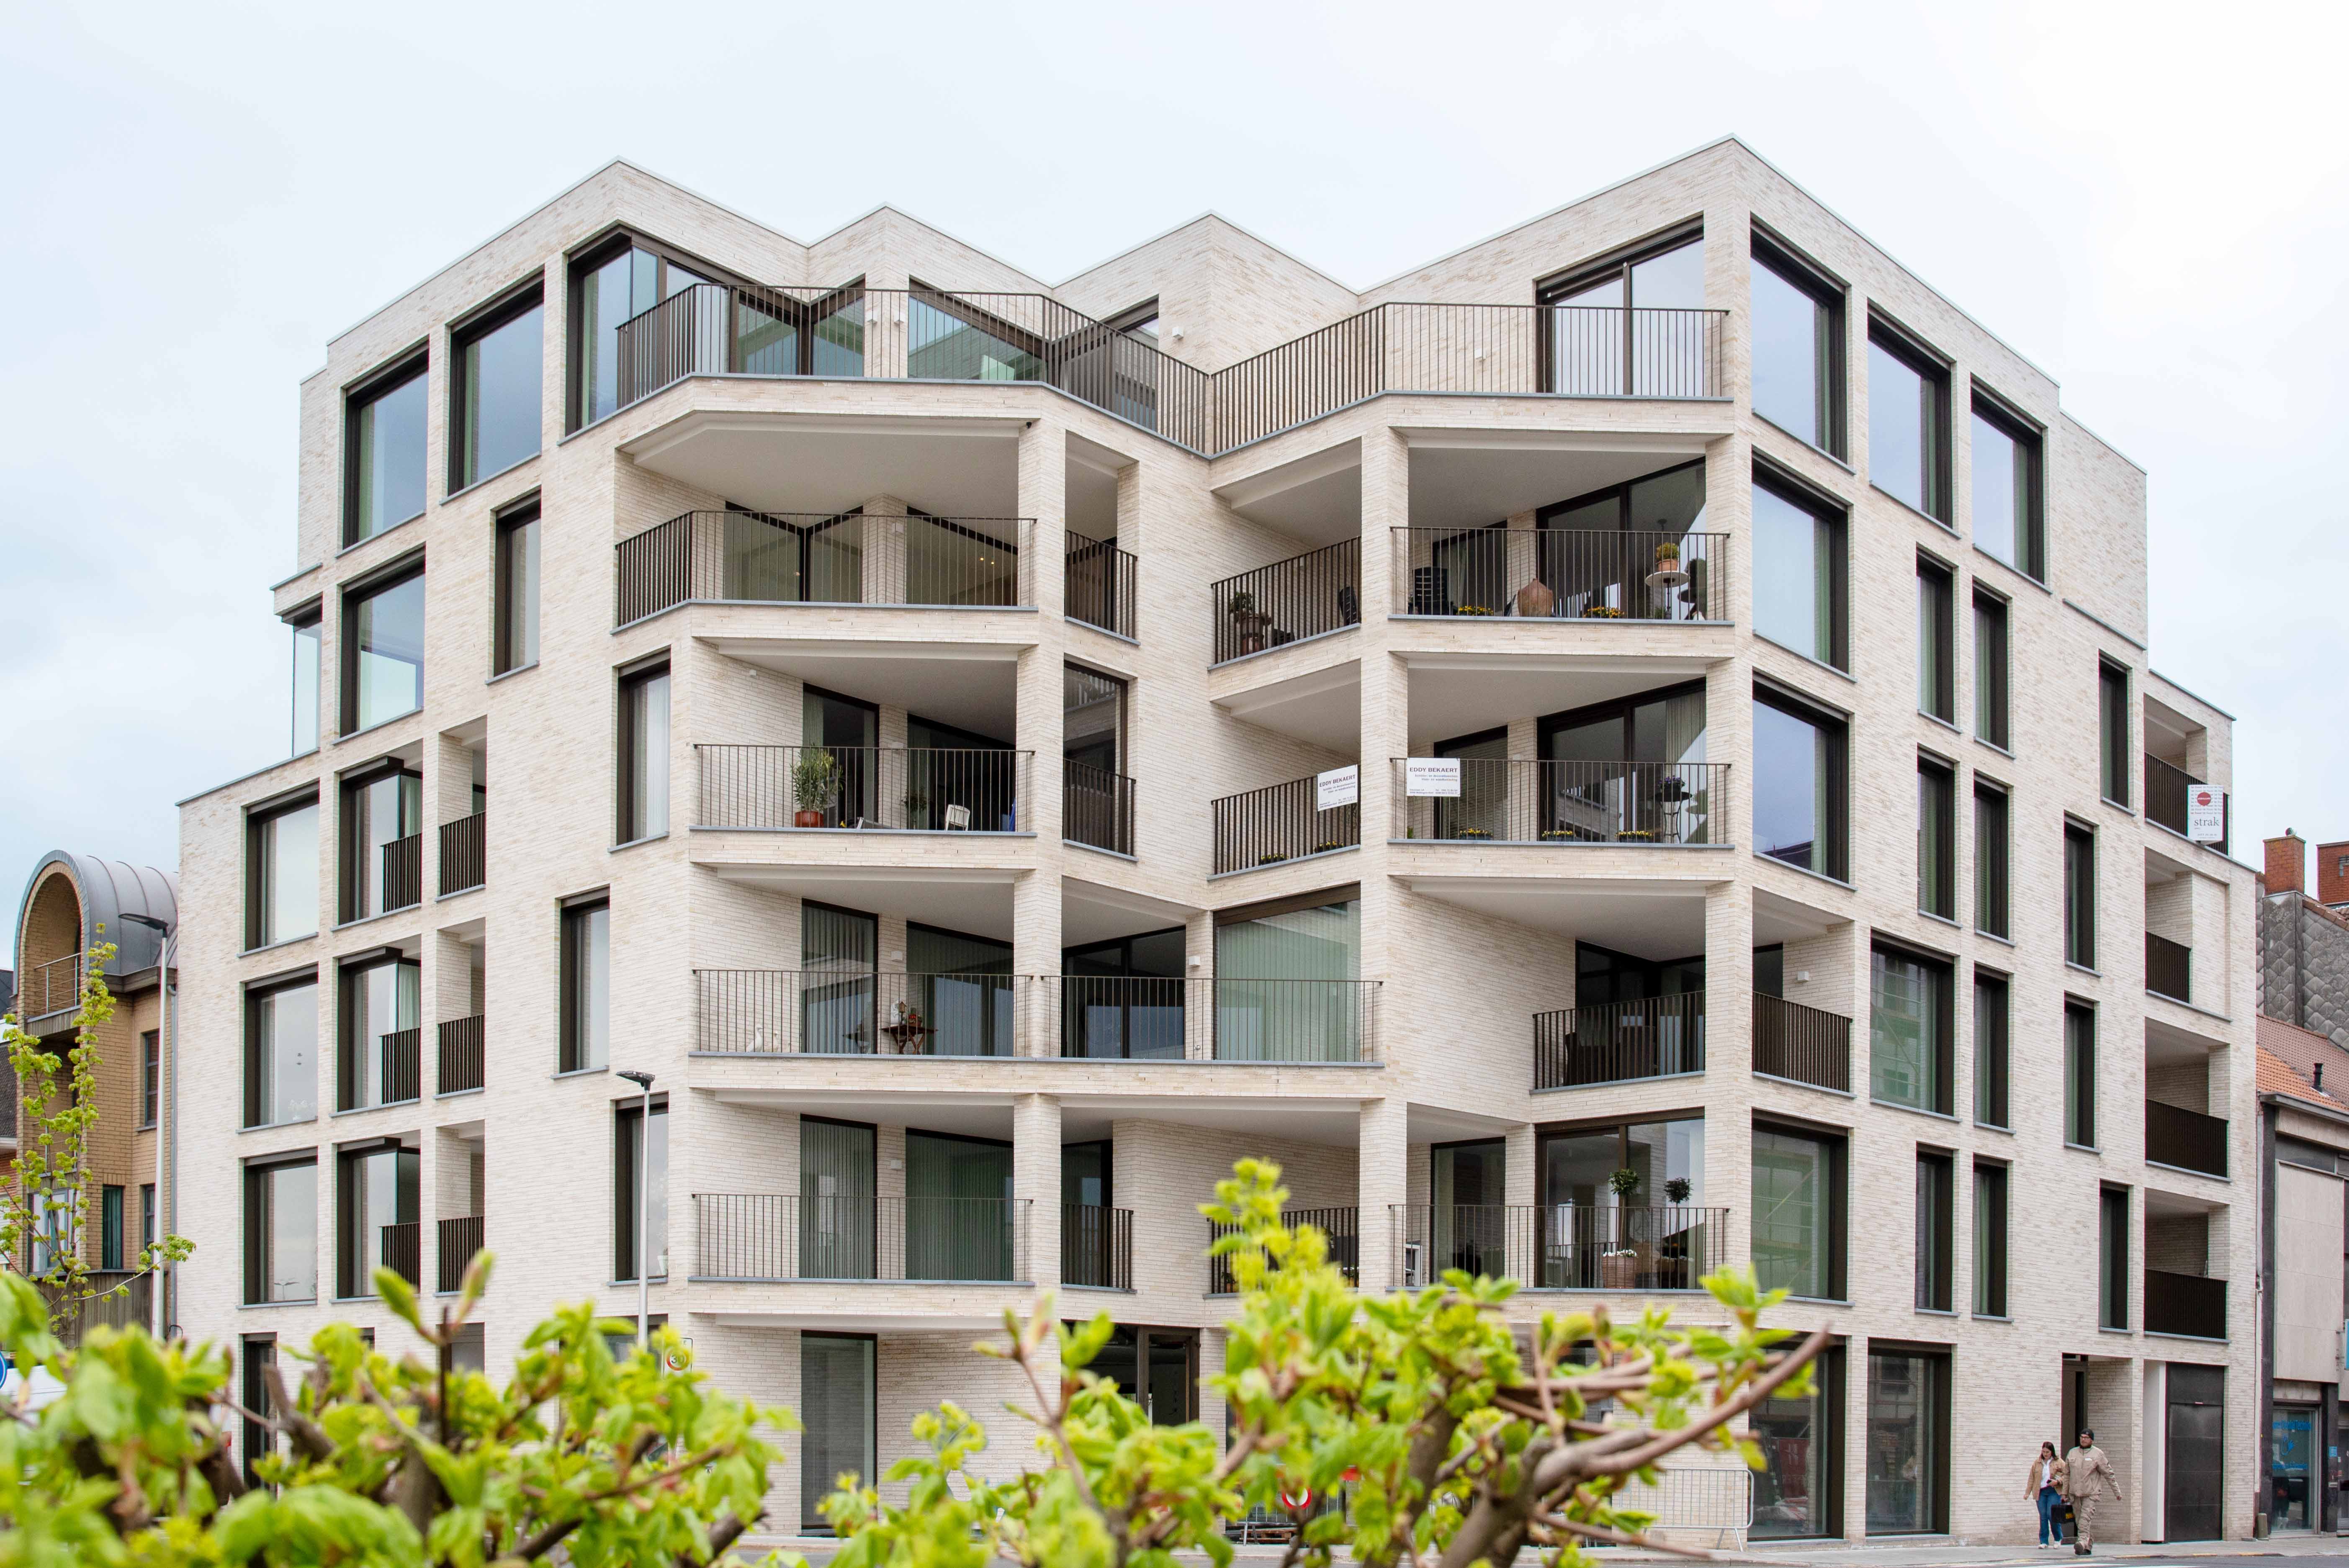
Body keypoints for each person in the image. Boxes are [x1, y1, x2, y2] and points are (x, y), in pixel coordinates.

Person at [2065, 1428, 2124, 1555]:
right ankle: (2088, 1545)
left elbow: (2109, 1474)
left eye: (2086, 1438)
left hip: (2091, 1494)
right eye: (2082, 1437)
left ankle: (2081, 1542)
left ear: (2092, 1440)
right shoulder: (2072, 1453)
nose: (2083, 1440)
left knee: (2085, 1520)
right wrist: (2064, 1494)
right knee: (2081, 1521)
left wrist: (2117, 1492)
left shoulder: (2098, 1454)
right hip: (2075, 1493)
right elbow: (2067, 1475)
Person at [2025, 1441, 2069, 1547]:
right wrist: (2028, 1492)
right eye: (2044, 1452)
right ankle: (2044, 1541)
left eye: (2048, 1452)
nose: (2045, 1454)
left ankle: (2058, 1538)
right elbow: (2032, 1478)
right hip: (2041, 1492)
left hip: (2054, 1491)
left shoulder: (2058, 1462)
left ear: (2052, 1452)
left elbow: (2068, 1474)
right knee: (2043, 1516)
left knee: (2051, 1515)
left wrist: (2058, 1482)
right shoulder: (2038, 1463)